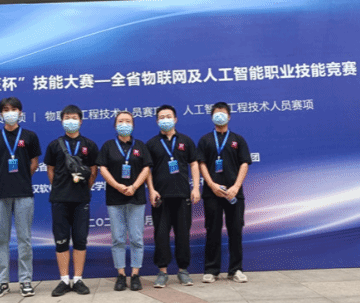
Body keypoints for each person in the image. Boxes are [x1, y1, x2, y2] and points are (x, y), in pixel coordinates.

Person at [0, 97, 41, 298]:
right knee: (0, 239)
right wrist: (6, 180)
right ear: (1, 113)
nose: (10, 112)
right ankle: (2, 281)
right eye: (6, 109)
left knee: (24, 239)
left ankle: (25, 280)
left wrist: (22, 178)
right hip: (0, 194)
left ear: (20, 112)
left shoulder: (30, 136)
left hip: (24, 193)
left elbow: (34, 163)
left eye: (14, 109)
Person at [44, 105, 99, 297]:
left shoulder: (89, 145)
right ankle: (64, 279)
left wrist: (84, 188)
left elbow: (93, 170)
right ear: (62, 121)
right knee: (61, 240)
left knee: (80, 240)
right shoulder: (54, 145)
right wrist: (59, 187)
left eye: (74, 118)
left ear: (81, 121)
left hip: (81, 199)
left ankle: (78, 279)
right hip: (59, 199)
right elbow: (50, 169)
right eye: (67, 118)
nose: (71, 121)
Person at [97, 111, 153, 292]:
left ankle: (135, 274)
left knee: (136, 238)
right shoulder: (108, 146)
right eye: (120, 121)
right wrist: (118, 186)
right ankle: (121, 274)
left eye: (128, 121)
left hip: (136, 197)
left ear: (133, 125)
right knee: (118, 238)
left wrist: (134, 186)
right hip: (115, 198)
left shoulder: (140, 145)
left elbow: (146, 168)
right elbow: (103, 168)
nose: (124, 124)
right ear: (115, 125)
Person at [146, 105, 201, 288]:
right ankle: (162, 272)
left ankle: (183, 271)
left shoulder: (186, 141)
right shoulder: (152, 144)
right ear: (157, 121)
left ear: (175, 119)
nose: (165, 120)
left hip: (183, 195)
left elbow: (194, 164)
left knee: (183, 235)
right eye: (161, 117)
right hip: (161, 198)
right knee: (161, 235)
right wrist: (151, 190)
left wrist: (196, 188)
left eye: (168, 116)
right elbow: (147, 170)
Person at [197, 102, 252, 284]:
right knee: (212, 230)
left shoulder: (238, 139)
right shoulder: (205, 140)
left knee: (235, 230)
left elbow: (244, 163)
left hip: (234, 193)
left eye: (223, 113)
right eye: (216, 113)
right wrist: (212, 185)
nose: (219, 116)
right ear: (212, 117)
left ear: (229, 116)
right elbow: (201, 163)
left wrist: (236, 187)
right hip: (212, 192)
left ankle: (236, 269)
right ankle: (211, 270)